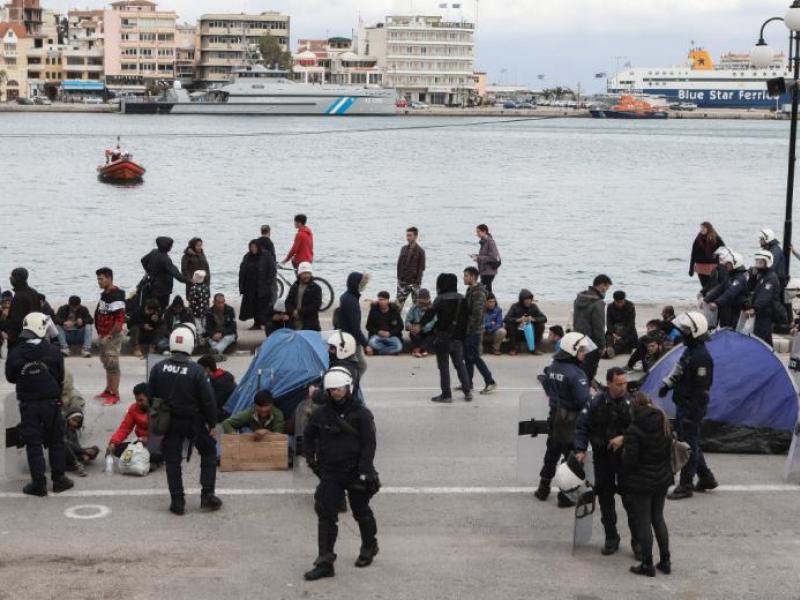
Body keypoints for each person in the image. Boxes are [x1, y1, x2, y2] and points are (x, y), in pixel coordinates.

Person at [302, 367, 379, 581]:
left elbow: (369, 444)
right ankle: (325, 561)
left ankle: (369, 546)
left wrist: (365, 469)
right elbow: (307, 437)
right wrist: (311, 461)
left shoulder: (362, 414)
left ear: (348, 388)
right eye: (331, 389)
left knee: (361, 511)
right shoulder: (320, 413)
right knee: (325, 514)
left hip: (355, 471)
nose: (335, 392)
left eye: (339, 389)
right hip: (330, 473)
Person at [148, 324, 220, 516]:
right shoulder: (196, 371)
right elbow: (208, 400)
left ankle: (177, 501)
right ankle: (207, 495)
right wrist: (212, 423)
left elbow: (150, 396)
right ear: (190, 345)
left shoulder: (158, 368)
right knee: (209, 451)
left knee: (172, 461)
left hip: (169, 421)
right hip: (193, 420)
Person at [4, 312, 73, 496]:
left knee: (33, 443)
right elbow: (60, 376)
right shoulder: (53, 351)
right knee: (56, 441)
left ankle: (38, 483)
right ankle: (59, 480)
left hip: (28, 404)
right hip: (51, 403)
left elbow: (10, 377)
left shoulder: (16, 352)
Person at [574, 367, 637, 557]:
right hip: (603, 458)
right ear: (609, 384)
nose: (623, 387)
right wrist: (580, 449)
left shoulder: (632, 402)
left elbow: (642, 429)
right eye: (619, 384)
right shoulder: (595, 401)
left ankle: (638, 542)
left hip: (625, 459)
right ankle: (611, 538)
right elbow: (582, 426)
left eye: (625, 383)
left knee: (631, 501)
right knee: (605, 499)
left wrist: (624, 438)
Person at [659, 312, 718, 500]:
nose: (682, 333)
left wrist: (691, 413)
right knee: (690, 443)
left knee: (687, 446)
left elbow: (702, 390)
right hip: (684, 404)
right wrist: (667, 384)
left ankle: (685, 485)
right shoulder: (690, 351)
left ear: (695, 332)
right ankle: (706, 478)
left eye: (685, 331)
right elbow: (679, 369)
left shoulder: (702, 358)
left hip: (691, 407)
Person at [534, 332, 593, 507]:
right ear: (572, 350)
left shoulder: (553, 367)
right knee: (572, 459)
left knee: (551, 454)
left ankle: (543, 489)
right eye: (581, 350)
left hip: (555, 417)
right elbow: (584, 401)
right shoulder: (577, 374)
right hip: (571, 421)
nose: (584, 353)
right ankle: (565, 496)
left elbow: (546, 386)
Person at [623, 392, 674, 577]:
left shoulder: (633, 429)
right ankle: (666, 561)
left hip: (642, 482)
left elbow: (630, 460)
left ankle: (647, 564)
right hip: (661, 479)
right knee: (658, 518)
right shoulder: (663, 421)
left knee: (643, 521)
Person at [421, 273, 471, 403]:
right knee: (460, 364)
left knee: (443, 366)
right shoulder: (462, 298)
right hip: (458, 338)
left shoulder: (440, 299)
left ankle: (446, 395)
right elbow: (466, 320)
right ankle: (467, 391)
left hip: (443, 338)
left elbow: (429, 315)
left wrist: (419, 325)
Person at [107, 383, 160, 466]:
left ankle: (146, 460)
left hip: (157, 445)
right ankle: (143, 460)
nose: (138, 403)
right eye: (137, 400)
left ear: (149, 398)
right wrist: (113, 443)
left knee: (156, 454)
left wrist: (150, 440)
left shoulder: (159, 409)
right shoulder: (134, 408)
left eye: (141, 400)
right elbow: (124, 428)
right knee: (116, 449)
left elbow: (166, 432)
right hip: (140, 444)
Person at [462, 267, 497, 394]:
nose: (464, 278)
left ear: (473, 277)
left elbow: (477, 315)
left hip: (474, 331)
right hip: (469, 329)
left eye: (466, 276)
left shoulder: (479, 292)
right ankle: (467, 383)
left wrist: (469, 329)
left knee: (475, 356)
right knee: (467, 357)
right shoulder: (470, 290)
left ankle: (490, 381)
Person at [95, 267, 126, 406]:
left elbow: (119, 321)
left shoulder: (117, 296)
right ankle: (108, 390)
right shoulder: (104, 295)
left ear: (109, 278)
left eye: (101, 279)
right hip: (103, 334)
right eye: (98, 279)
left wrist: (109, 335)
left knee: (113, 365)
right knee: (107, 363)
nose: (99, 282)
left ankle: (115, 395)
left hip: (111, 337)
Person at [573, 275, 612, 383]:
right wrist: (602, 345)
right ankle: (585, 387)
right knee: (590, 368)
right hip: (591, 342)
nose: (606, 291)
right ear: (602, 286)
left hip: (577, 337)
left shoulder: (579, 298)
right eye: (607, 288)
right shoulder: (598, 303)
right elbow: (599, 326)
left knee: (579, 364)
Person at [338, 272, 374, 373]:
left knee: (356, 365)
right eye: (362, 284)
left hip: (346, 337)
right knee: (360, 366)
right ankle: (353, 386)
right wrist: (366, 344)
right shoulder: (351, 301)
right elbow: (355, 328)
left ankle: (352, 386)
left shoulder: (347, 297)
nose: (364, 286)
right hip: (350, 340)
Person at [141, 236, 188, 312]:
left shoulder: (154, 252)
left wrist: (149, 271)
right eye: (170, 245)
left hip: (153, 285)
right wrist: (188, 281)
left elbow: (143, 260)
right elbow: (175, 274)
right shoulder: (165, 259)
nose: (171, 247)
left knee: (154, 307)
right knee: (162, 308)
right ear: (167, 247)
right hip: (163, 290)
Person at [745, 249, 782, 346]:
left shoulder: (771, 278)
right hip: (761, 313)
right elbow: (749, 288)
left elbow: (765, 297)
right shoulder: (762, 276)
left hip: (766, 313)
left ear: (767, 263)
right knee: (766, 340)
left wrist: (754, 308)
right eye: (756, 261)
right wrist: (752, 277)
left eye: (760, 262)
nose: (757, 264)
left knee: (761, 339)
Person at [239, 239, 276, 330]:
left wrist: (268, 282)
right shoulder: (247, 256)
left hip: (263, 285)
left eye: (255, 247)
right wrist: (241, 285)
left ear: (258, 247)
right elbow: (242, 269)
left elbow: (272, 269)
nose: (253, 249)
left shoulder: (266, 255)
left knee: (263, 306)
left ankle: (266, 323)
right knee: (253, 306)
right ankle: (257, 323)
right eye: (251, 247)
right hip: (250, 286)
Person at [706, 250, 748, 329]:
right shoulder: (730, 276)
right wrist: (706, 299)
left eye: (728, 264)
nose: (726, 266)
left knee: (733, 331)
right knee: (724, 328)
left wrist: (716, 303)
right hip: (727, 309)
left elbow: (730, 293)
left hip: (736, 311)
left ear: (735, 264)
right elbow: (720, 289)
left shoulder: (740, 278)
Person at [6, 267, 42, 349]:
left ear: (16, 279)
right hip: (34, 333)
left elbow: (16, 319)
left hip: (19, 337)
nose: (10, 278)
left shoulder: (19, 296)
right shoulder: (34, 292)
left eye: (12, 277)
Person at [504, 289, 548, 355]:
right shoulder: (515, 306)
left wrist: (533, 319)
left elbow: (544, 318)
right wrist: (517, 320)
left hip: (530, 331)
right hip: (518, 330)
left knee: (541, 325)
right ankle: (513, 348)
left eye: (529, 299)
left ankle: (535, 348)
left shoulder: (534, 307)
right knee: (510, 325)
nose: (528, 301)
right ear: (521, 300)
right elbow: (506, 319)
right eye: (526, 300)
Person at [285, 262, 323, 331]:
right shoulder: (295, 286)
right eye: (304, 273)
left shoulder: (316, 288)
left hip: (310, 324)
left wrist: (299, 312)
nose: (306, 276)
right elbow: (288, 302)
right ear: (300, 274)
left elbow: (316, 306)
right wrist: (292, 311)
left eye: (308, 273)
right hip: (294, 323)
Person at [198, 355, 237, 421]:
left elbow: (213, 403)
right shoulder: (222, 376)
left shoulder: (220, 382)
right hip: (228, 409)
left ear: (207, 369)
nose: (198, 371)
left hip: (226, 412)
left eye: (199, 369)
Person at [396, 226, 426, 310]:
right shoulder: (403, 248)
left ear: (416, 236)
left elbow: (422, 268)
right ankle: (396, 322)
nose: (408, 238)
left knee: (416, 307)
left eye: (410, 235)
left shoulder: (421, 251)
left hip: (415, 283)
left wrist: (417, 282)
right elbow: (399, 264)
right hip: (402, 282)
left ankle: (415, 322)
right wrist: (399, 279)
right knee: (398, 306)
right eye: (407, 236)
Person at [64, 407, 99, 477]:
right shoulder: (62, 428)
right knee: (65, 443)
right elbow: (66, 443)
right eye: (74, 420)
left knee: (95, 449)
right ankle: (76, 464)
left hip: (73, 452)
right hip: (62, 455)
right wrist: (84, 451)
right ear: (68, 418)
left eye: (78, 422)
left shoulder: (73, 430)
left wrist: (83, 453)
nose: (75, 424)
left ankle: (78, 461)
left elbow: (76, 445)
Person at [366, 291, 404, 356]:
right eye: (380, 299)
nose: (381, 302)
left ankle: (377, 352)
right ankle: (390, 350)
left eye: (383, 300)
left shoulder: (394, 310)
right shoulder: (374, 310)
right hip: (377, 336)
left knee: (398, 347)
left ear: (387, 300)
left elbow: (400, 326)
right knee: (372, 343)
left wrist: (390, 333)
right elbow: (368, 326)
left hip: (391, 336)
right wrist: (378, 332)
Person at [689, 221, 725, 289]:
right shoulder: (697, 239)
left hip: (712, 266)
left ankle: (711, 298)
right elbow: (693, 254)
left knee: (712, 286)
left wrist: (716, 254)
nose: (701, 229)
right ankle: (706, 298)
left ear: (709, 228)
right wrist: (691, 269)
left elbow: (723, 249)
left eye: (704, 228)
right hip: (700, 266)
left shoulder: (716, 238)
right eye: (701, 228)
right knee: (704, 286)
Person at [204, 293, 237, 360]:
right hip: (214, 335)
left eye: (222, 302)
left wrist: (222, 334)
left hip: (227, 334)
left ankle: (215, 351)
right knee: (212, 341)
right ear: (214, 302)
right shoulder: (209, 312)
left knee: (226, 339)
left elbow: (233, 327)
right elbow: (207, 328)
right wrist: (213, 335)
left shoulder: (230, 310)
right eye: (219, 303)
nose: (221, 305)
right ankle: (219, 356)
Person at [605, 291, 637, 357]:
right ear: (614, 300)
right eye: (617, 302)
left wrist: (621, 335)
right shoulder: (610, 307)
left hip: (627, 330)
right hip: (614, 330)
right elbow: (609, 322)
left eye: (621, 302)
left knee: (624, 341)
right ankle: (609, 350)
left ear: (624, 299)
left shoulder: (630, 306)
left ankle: (611, 352)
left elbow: (631, 324)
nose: (619, 304)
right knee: (607, 337)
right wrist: (613, 333)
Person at [405, 288, 435, 357]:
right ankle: (422, 350)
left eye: (425, 299)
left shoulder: (433, 308)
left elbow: (433, 322)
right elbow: (407, 321)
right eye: (421, 298)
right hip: (416, 330)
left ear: (428, 298)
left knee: (432, 333)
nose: (423, 301)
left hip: (428, 330)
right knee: (413, 333)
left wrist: (420, 328)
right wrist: (410, 327)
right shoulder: (414, 308)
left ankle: (419, 349)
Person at [471, 224, 500, 293]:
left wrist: (479, 258)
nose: (477, 234)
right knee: (487, 290)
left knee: (485, 291)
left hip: (489, 271)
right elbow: (485, 255)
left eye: (478, 232)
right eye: (477, 232)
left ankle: (493, 303)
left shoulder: (490, 242)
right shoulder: (484, 242)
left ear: (484, 232)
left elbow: (493, 257)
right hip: (484, 271)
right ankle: (492, 303)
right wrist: (476, 256)